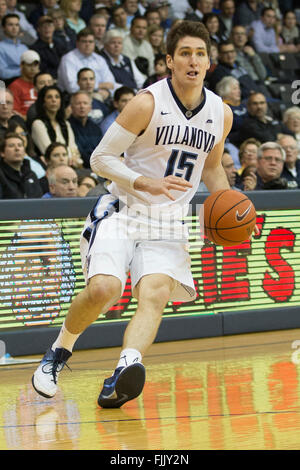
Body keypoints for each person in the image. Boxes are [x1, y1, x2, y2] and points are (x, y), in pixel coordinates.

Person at [31, 20, 238, 408]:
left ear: (210, 62)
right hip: (123, 208)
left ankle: (125, 368)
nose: (193, 61)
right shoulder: (147, 102)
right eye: (185, 54)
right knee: (104, 289)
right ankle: (58, 352)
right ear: (169, 62)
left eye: (200, 54)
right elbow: (100, 158)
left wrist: (227, 204)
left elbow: (210, 167)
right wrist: (145, 182)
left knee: (154, 294)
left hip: (169, 219)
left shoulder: (220, 113)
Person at [31, 85, 82, 167]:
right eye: (49, 97)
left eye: (57, 97)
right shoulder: (38, 124)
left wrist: (75, 159)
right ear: (43, 102)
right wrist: (69, 159)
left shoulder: (65, 123)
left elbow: (73, 148)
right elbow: (49, 151)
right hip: (50, 166)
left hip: (70, 164)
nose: (54, 100)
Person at [57, 28, 116, 97]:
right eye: (84, 41)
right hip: (74, 97)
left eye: (90, 42)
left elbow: (111, 84)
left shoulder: (100, 59)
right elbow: (72, 88)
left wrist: (108, 92)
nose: (87, 44)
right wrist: (99, 86)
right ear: (77, 43)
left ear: (94, 43)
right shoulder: (68, 59)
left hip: (101, 95)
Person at [0, 132, 43, 198]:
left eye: (20, 145)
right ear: (2, 153)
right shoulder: (1, 175)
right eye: (11, 146)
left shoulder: (31, 175)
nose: (17, 149)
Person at [68, 91, 103, 168]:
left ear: (90, 107)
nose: (82, 106)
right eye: (78, 103)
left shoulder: (95, 128)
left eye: (85, 103)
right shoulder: (67, 126)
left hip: (98, 166)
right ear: (71, 107)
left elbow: (101, 150)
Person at [8, 50, 40, 119]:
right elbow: (14, 113)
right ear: (22, 65)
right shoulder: (15, 86)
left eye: (35, 65)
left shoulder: (41, 83)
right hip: (24, 123)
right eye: (29, 65)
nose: (33, 69)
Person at [0, 13, 28, 82]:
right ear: (3, 27)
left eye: (17, 25)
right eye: (10, 25)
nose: (14, 28)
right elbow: (2, 73)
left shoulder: (24, 47)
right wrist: (24, 71)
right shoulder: (1, 47)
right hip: (9, 83)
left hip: (27, 81)